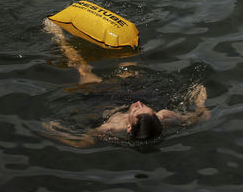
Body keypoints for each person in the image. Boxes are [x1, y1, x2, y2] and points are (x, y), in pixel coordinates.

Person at [42, 18, 210, 144]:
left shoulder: (112, 128)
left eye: (137, 110)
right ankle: (118, 39)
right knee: (130, 63)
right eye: (145, 108)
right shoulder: (165, 117)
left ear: (129, 128)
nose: (138, 104)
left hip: (105, 101)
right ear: (158, 119)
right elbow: (200, 117)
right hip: (136, 92)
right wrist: (200, 101)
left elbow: (83, 141)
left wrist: (55, 132)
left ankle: (55, 33)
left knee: (82, 69)